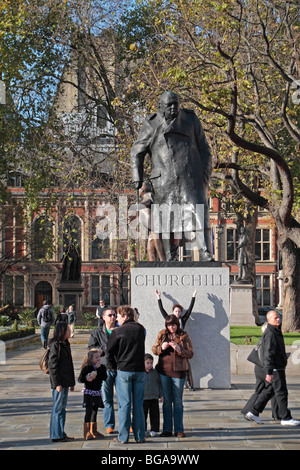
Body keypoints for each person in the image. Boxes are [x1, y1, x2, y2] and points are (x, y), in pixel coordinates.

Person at [131, 90, 213, 261]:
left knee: (199, 213)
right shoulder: (151, 124)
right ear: (160, 107)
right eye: (169, 105)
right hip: (164, 180)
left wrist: (204, 173)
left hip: (191, 177)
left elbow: (205, 149)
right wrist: (137, 178)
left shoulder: (190, 119)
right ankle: (170, 256)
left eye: (176, 103)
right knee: (167, 219)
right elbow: (137, 151)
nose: (174, 107)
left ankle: (205, 252)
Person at [245, 310, 300, 426]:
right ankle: (285, 417)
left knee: (269, 391)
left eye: (279, 317)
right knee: (281, 392)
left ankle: (253, 412)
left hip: (276, 367)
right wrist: (269, 371)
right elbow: (268, 353)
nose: (278, 319)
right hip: (275, 368)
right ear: (268, 320)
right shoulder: (270, 333)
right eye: (275, 318)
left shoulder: (275, 331)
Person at [106, 305, 146, 444]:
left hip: (124, 370)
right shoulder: (140, 329)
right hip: (140, 370)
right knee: (138, 405)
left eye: (118, 316)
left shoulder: (118, 331)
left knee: (125, 405)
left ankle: (123, 437)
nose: (116, 318)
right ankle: (140, 436)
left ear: (125, 316)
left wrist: (112, 367)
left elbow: (109, 351)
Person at [152, 314, 194, 437]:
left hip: (179, 373)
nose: (172, 327)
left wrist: (179, 349)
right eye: (169, 325)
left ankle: (179, 429)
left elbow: (191, 353)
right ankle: (167, 429)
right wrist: (161, 347)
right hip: (164, 371)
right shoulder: (162, 334)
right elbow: (154, 349)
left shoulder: (184, 335)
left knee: (178, 401)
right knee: (166, 401)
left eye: (174, 325)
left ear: (177, 324)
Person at [155, 289, 197, 389]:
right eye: (176, 311)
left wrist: (193, 297)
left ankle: (188, 383)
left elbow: (190, 309)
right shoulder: (169, 319)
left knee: (185, 363)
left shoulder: (183, 319)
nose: (178, 313)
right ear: (172, 312)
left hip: (181, 343)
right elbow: (162, 310)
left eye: (179, 311)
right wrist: (159, 298)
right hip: (170, 342)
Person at [88, 307, 117, 435]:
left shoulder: (120, 331)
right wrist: (103, 349)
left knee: (124, 399)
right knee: (107, 399)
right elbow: (91, 348)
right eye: (110, 315)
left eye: (114, 315)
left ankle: (127, 424)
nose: (113, 317)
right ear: (103, 317)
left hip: (120, 368)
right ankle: (109, 425)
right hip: (104, 369)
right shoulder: (97, 332)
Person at [241, 323, 280, 420]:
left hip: (258, 368)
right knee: (274, 390)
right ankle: (277, 415)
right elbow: (268, 356)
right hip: (266, 369)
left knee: (259, 391)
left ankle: (247, 410)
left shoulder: (262, 339)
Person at [48, 322, 75, 442]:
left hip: (65, 381)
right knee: (57, 408)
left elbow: (69, 366)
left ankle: (61, 433)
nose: (69, 332)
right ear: (61, 332)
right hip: (59, 383)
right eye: (67, 330)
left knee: (62, 408)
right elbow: (52, 366)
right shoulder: (55, 345)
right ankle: (56, 434)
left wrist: (72, 383)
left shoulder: (65, 344)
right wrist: (57, 383)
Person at [78, 348, 107, 440]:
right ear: (90, 359)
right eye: (96, 357)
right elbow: (80, 379)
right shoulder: (87, 368)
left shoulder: (102, 367)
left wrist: (99, 369)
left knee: (95, 411)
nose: (98, 359)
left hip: (97, 392)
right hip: (89, 392)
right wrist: (87, 378)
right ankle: (86, 431)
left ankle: (93, 430)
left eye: (99, 357)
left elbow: (104, 377)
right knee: (88, 411)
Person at [143, 353, 163, 437]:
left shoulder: (155, 372)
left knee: (154, 414)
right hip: (143, 398)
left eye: (151, 363)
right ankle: (143, 429)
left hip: (154, 397)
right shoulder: (140, 373)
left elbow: (159, 384)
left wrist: (161, 395)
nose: (150, 365)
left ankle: (154, 429)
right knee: (143, 414)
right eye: (148, 363)